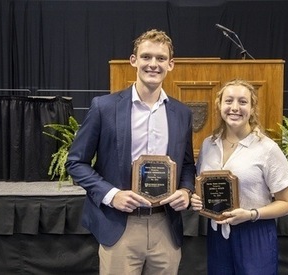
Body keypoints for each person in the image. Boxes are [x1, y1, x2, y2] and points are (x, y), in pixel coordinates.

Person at [65, 29, 196, 275]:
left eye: (160, 58)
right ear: (133, 60)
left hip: (165, 227)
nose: (153, 64)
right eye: (146, 57)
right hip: (119, 226)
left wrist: (186, 191)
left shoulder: (181, 113)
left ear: (171, 64)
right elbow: (76, 163)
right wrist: (111, 194)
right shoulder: (104, 107)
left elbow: (188, 164)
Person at [191, 79, 288, 275]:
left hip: (254, 233)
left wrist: (250, 214)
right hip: (217, 234)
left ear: (253, 107)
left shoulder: (267, 149)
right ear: (219, 106)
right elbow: (202, 187)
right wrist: (196, 200)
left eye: (243, 102)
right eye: (228, 101)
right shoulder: (208, 145)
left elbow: (287, 204)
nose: (235, 108)